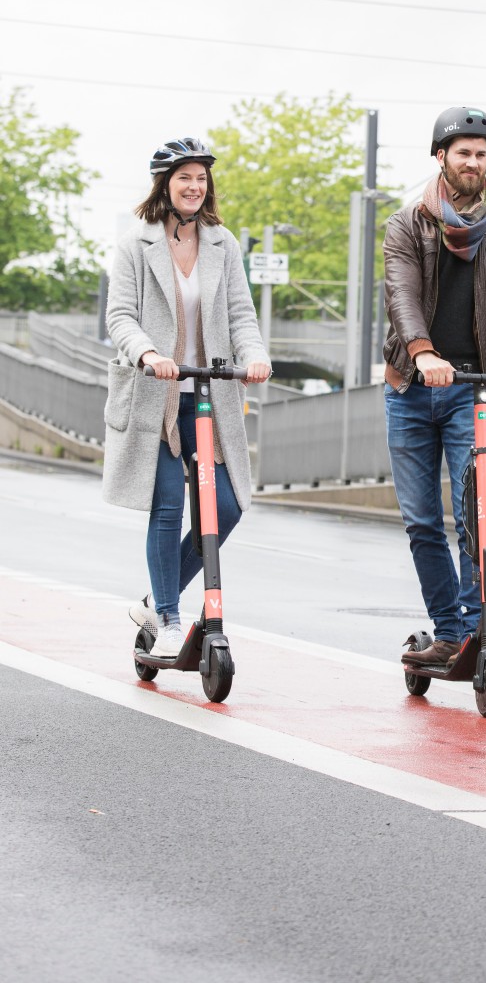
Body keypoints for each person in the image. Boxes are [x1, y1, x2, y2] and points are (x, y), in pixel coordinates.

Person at [383, 106, 486, 666]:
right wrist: (423, 351)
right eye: (463, 153)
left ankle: (478, 634)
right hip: (412, 385)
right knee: (423, 521)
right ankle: (448, 631)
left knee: (477, 509)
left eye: (482, 155)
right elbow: (402, 296)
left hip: (472, 389)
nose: (473, 163)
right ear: (441, 158)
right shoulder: (408, 224)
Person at [102, 137, 271, 659]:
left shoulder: (223, 244)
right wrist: (148, 352)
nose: (195, 187)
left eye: (201, 179)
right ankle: (171, 621)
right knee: (169, 506)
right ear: (164, 185)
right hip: (156, 395)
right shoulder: (136, 244)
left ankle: (157, 597)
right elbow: (120, 317)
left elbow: (241, 315)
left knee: (225, 507)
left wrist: (255, 355)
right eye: (184, 178)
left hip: (210, 394)